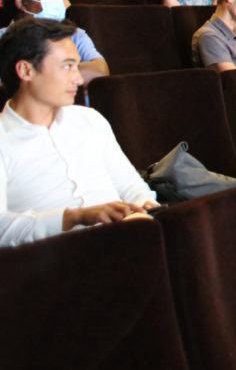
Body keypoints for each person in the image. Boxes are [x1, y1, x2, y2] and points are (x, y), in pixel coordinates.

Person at [0, 18, 155, 247]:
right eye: (67, 66)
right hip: (53, 262)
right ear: (25, 70)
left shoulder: (89, 119)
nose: (79, 78)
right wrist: (75, 217)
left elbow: (131, 187)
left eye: (77, 66)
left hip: (126, 242)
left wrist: (146, 207)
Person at [0, 0, 109, 83]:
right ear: (22, 3)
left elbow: (100, 71)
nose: (58, 3)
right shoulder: (3, 39)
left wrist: (35, 76)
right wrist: (69, 71)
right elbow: (7, 84)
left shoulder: (75, 34)